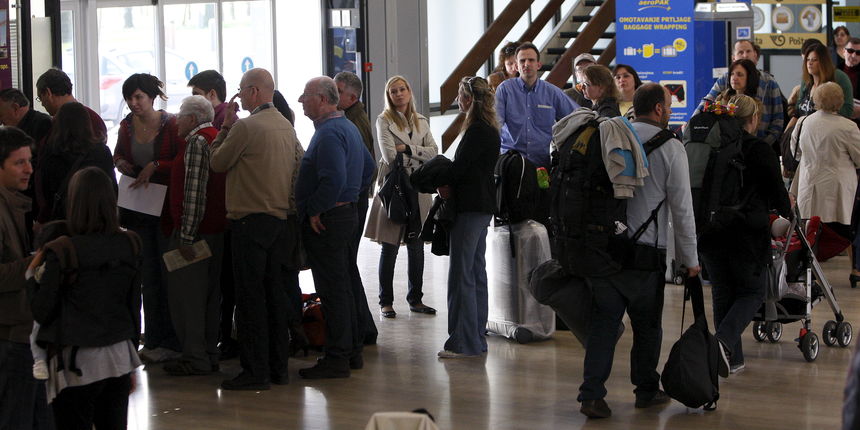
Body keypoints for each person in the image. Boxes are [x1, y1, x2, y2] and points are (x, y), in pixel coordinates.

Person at [578, 83, 700, 419]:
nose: (670, 110)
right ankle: (646, 389)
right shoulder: (671, 148)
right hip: (646, 253)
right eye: (669, 105)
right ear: (659, 109)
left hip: (605, 248)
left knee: (604, 324)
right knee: (647, 326)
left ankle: (591, 394)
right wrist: (691, 260)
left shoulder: (612, 135)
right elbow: (682, 210)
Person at [210, 68, 303, 390]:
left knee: (250, 301)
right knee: (275, 298)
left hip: (249, 222)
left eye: (239, 91)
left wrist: (224, 126)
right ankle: (278, 369)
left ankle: (255, 371)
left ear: (252, 92)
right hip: (279, 222)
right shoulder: (286, 127)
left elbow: (217, 162)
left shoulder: (246, 127)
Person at [30, 166, 142, 430]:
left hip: (77, 361)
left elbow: (41, 310)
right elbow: (133, 305)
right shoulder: (131, 244)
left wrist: (32, 278)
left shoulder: (61, 251)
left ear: (74, 202)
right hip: (119, 354)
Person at [699, 94, 792, 376]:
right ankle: (724, 342)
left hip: (710, 231)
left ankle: (733, 359)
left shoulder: (709, 147)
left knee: (722, 292)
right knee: (752, 291)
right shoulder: (759, 150)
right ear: (753, 119)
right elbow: (779, 197)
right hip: (746, 232)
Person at [295, 76, 375, 378]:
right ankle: (351, 351)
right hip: (344, 215)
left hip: (329, 220)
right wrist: (350, 197)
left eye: (306, 95)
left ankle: (337, 358)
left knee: (332, 291)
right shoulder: (347, 128)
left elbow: (333, 179)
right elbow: (368, 168)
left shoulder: (329, 133)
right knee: (341, 286)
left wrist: (317, 209)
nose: (302, 101)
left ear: (323, 99)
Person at [112, 73, 182, 365]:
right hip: (139, 206)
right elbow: (117, 155)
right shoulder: (127, 126)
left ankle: (172, 339)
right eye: (130, 98)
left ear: (152, 98)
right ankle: (153, 338)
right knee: (147, 276)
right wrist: (122, 163)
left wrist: (155, 165)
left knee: (167, 273)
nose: (134, 103)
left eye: (139, 97)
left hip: (164, 207)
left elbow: (180, 160)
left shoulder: (171, 124)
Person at [161, 95, 227, 376]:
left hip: (197, 234)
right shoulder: (215, 137)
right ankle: (209, 352)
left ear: (192, 118)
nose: (176, 120)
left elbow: (194, 194)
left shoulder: (198, 142)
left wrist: (186, 237)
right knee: (210, 297)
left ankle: (195, 356)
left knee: (188, 299)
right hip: (216, 231)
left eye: (180, 115)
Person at [435, 76, 500, 358]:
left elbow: (461, 170)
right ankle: (476, 338)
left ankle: (463, 342)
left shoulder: (475, 131)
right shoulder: (490, 129)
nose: (458, 101)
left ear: (469, 99)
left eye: (461, 96)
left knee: (461, 275)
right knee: (475, 272)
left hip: (469, 207)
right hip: (482, 206)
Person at [364, 75, 438, 318]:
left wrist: (406, 149)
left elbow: (433, 153)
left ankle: (416, 299)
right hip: (394, 187)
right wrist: (417, 154)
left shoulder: (421, 121)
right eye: (393, 91)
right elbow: (387, 156)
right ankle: (386, 301)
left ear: (409, 91)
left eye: (402, 89)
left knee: (417, 246)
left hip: (418, 186)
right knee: (390, 245)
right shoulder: (383, 121)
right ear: (389, 96)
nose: (398, 94)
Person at [0, 127, 52, 430]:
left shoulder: (15, 204)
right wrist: (36, 261)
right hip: (9, 336)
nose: (29, 169)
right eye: (19, 162)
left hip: (24, 331)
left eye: (30, 161)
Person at [791, 82, 860, 283]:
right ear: (841, 100)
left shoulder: (803, 122)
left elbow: (796, 153)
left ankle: (806, 272)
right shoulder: (848, 127)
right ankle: (855, 269)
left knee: (809, 232)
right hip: (837, 190)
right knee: (842, 231)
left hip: (808, 185)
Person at [334, 70, 378, 344]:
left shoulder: (354, 122)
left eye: (337, 91)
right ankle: (361, 327)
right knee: (347, 265)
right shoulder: (351, 118)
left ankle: (361, 327)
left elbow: (365, 167)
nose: (333, 95)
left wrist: (348, 198)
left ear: (352, 96)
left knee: (346, 265)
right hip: (355, 199)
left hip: (353, 201)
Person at [498, 42, 577, 169]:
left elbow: (576, 117)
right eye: (522, 61)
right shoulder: (505, 90)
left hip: (541, 166)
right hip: (511, 165)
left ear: (538, 65)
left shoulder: (552, 92)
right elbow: (495, 125)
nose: (527, 64)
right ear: (517, 66)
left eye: (531, 60)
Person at [35, 102, 116, 224]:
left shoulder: (51, 153)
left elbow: (45, 191)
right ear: (87, 123)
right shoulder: (101, 152)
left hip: (63, 220)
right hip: (97, 218)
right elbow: (112, 187)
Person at [697, 40, 784, 148]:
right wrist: (693, 124)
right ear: (733, 57)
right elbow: (707, 102)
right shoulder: (725, 79)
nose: (745, 55)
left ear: (755, 55)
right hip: (728, 146)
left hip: (760, 144)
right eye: (740, 52)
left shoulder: (768, 82)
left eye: (748, 51)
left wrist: (762, 146)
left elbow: (778, 121)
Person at [35, 68, 106, 142]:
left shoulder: (57, 123)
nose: (42, 104)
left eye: (40, 98)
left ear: (48, 93)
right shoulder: (95, 118)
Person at [792, 43, 854, 125]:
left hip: (828, 129)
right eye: (807, 59)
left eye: (814, 60)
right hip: (805, 131)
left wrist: (826, 107)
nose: (810, 63)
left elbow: (848, 110)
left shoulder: (840, 77)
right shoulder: (806, 79)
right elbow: (797, 111)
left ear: (824, 61)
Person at [839, 37, 860, 121]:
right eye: (850, 51)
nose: (854, 55)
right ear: (844, 51)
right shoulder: (834, 72)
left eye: (858, 53)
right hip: (837, 119)